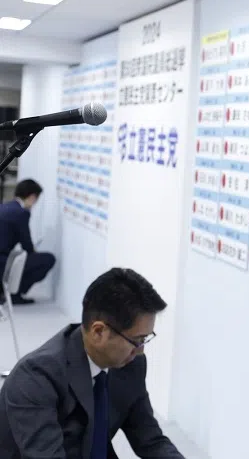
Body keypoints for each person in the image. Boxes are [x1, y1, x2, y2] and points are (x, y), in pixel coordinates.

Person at [0, 267, 184, 459]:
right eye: (136, 340)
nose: (140, 350)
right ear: (98, 332)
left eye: (145, 339)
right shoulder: (36, 378)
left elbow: (151, 440)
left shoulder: (131, 365)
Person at [0, 179, 56, 305]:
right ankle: (14, 294)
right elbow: (27, 245)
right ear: (32, 197)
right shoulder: (21, 213)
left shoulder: (5, 206)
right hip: (2, 261)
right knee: (47, 259)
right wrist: (33, 250)